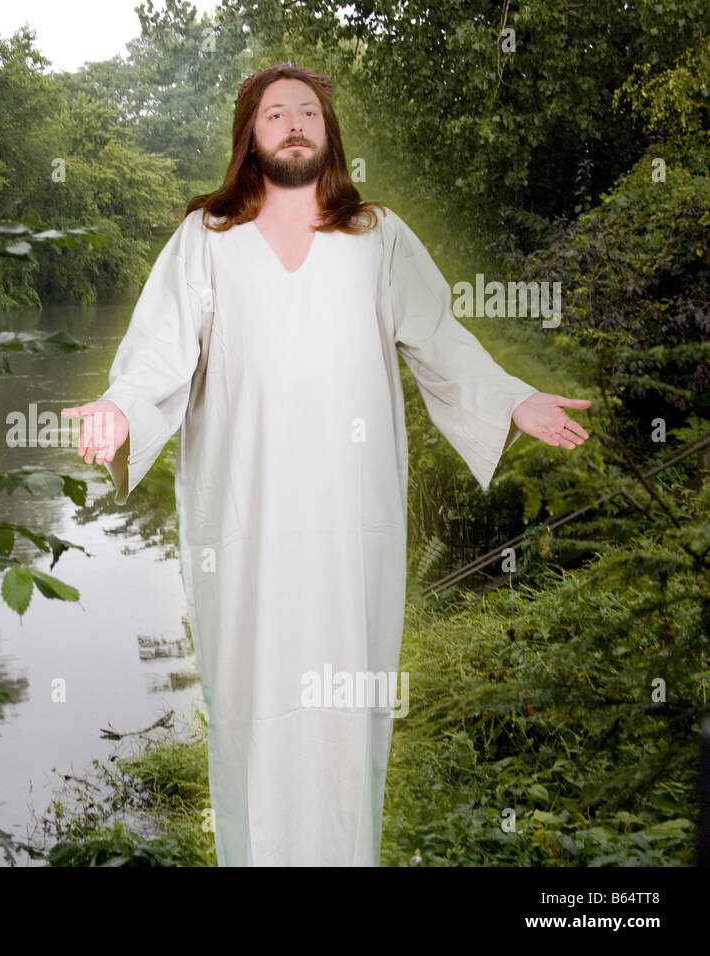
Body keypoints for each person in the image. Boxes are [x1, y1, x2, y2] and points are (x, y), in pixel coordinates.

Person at [60, 62, 591, 866]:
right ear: (251, 135)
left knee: (347, 715)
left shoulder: (375, 235)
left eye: (308, 112)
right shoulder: (206, 239)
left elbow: (440, 339)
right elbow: (157, 358)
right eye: (276, 114)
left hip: (352, 523)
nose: (295, 123)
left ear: (328, 134)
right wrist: (118, 411)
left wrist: (511, 399)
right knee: (249, 707)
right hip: (246, 525)